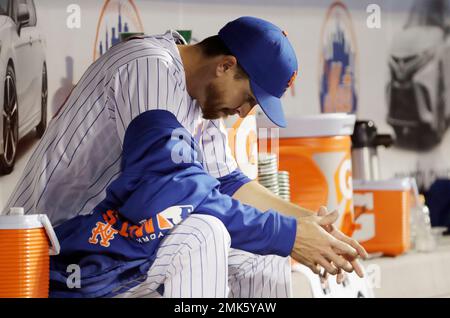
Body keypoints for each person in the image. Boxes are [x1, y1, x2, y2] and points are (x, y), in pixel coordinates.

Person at [4, 16, 367, 298]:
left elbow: (225, 184)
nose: (243, 113)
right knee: (203, 232)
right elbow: (167, 188)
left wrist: (309, 227)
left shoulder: (198, 103)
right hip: (45, 254)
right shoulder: (149, 66)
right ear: (225, 65)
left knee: (262, 251)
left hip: (111, 247)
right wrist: (286, 233)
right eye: (249, 98)